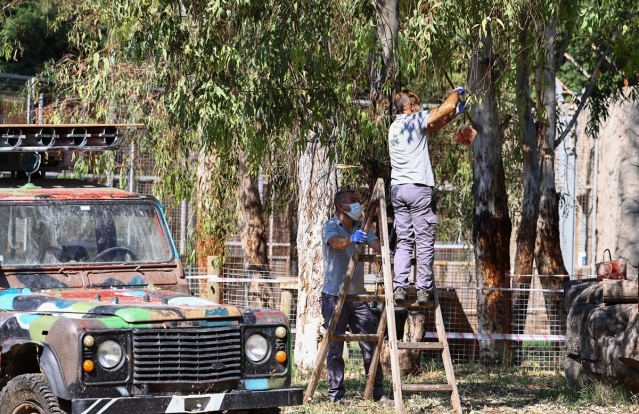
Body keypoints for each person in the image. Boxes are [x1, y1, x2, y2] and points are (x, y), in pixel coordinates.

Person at [388, 87, 468, 304]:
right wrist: (455, 93)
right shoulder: (413, 121)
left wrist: (454, 115)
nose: (421, 107)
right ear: (412, 107)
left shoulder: (395, 127)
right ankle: (423, 289)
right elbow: (446, 106)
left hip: (398, 189)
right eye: (419, 104)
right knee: (423, 241)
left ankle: (400, 288)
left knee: (404, 240)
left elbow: (433, 125)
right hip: (418, 188)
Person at [321, 188, 389, 404]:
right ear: (341, 206)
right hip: (334, 296)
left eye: (358, 200)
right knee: (335, 347)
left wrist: (390, 250)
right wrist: (350, 239)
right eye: (352, 200)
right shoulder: (331, 226)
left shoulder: (362, 226)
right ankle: (336, 394)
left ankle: (377, 391)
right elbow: (335, 243)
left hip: (358, 297)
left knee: (371, 344)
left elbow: (378, 246)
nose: (357, 203)